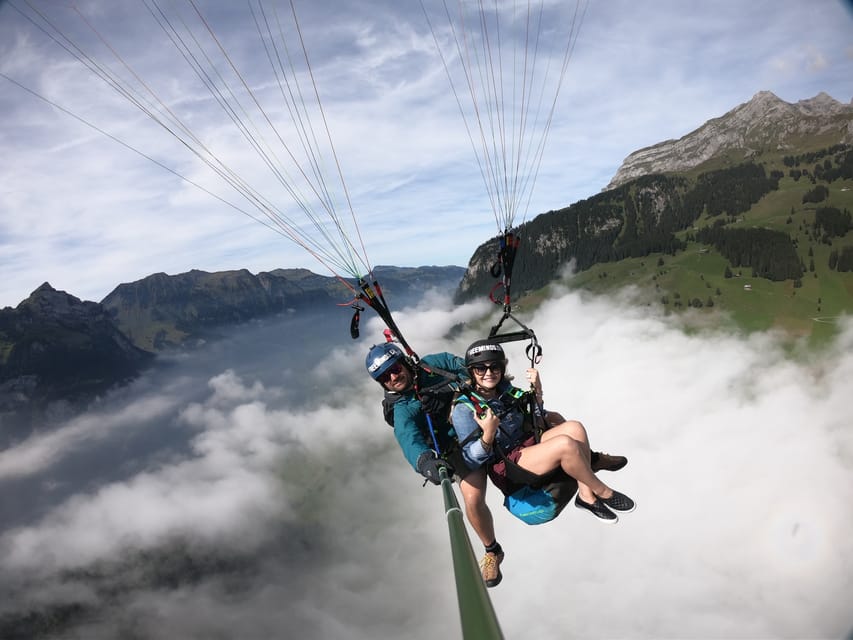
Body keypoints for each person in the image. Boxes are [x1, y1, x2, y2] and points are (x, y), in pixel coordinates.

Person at [365, 342, 507, 587]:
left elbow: (467, 369)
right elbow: (408, 438)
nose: (393, 377)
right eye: (385, 377)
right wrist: (426, 462)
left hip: (484, 423)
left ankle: (589, 460)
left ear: (405, 363)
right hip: (457, 450)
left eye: (395, 368)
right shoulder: (402, 408)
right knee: (472, 499)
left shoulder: (434, 365)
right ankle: (492, 550)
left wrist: (452, 388)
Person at [451, 339, 635, 527]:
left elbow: (535, 418)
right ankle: (602, 490)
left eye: (494, 367)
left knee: (574, 428)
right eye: (481, 368)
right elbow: (470, 460)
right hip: (506, 465)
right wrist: (488, 435)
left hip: (527, 446)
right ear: (472, 371)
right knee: (565, 444)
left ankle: (586, 496)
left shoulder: (505, 392)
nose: (489, 373)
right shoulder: (464, 409)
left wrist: (537, 391)